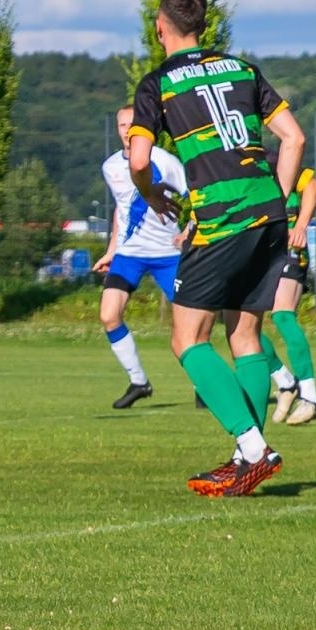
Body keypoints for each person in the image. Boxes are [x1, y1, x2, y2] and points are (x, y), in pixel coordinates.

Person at [128, 0, 305, 498]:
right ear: (203, 26)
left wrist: (151, 193)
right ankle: (246, 458)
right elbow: (293, 138)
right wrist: (279, 199)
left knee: (187, 339)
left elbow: (139, 160)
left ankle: (253, 447)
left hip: (222, 219)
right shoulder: (243, 70)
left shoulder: (158, 83)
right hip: (268, 213)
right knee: (245, 336)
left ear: (160, 26)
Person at [93, 105, 187, 409]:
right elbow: (121, 209)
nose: (126, 130)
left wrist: (188, 233)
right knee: (109, 315)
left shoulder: (166, 161)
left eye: (132, 124)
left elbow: (196, 198)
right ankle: (138, 382)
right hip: (129, 254)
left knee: (190, 327)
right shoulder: (110, 166)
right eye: (121, 125)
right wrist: (111, 250)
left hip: (168, 254)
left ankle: (204, 383)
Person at [267, 161, 316, 425]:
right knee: (240, 325)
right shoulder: (230, 166)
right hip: (258, 254)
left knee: (282, 315)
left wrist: (300, 226)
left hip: (288, 251)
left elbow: (313, 187)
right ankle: (285, 381)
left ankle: (310, 397)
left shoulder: (271, 159)